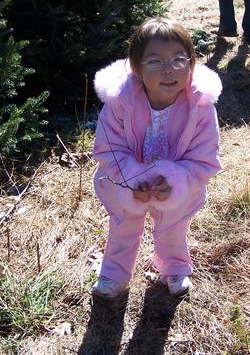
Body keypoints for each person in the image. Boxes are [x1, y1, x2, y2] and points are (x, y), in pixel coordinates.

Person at [91, 18, 222, 299]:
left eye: (178, 59)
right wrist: (132, 180)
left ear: (191, 63)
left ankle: (174, 267)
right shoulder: (119, 102)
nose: (168, 69)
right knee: (123, 225)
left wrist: (176, 182)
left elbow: (204, 158)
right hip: (126, 184)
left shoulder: (200, 106)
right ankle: (114, 274)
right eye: (154, 61)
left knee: (173, 226)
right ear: (137, 68)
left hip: (178, 185)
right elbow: (108, 149)